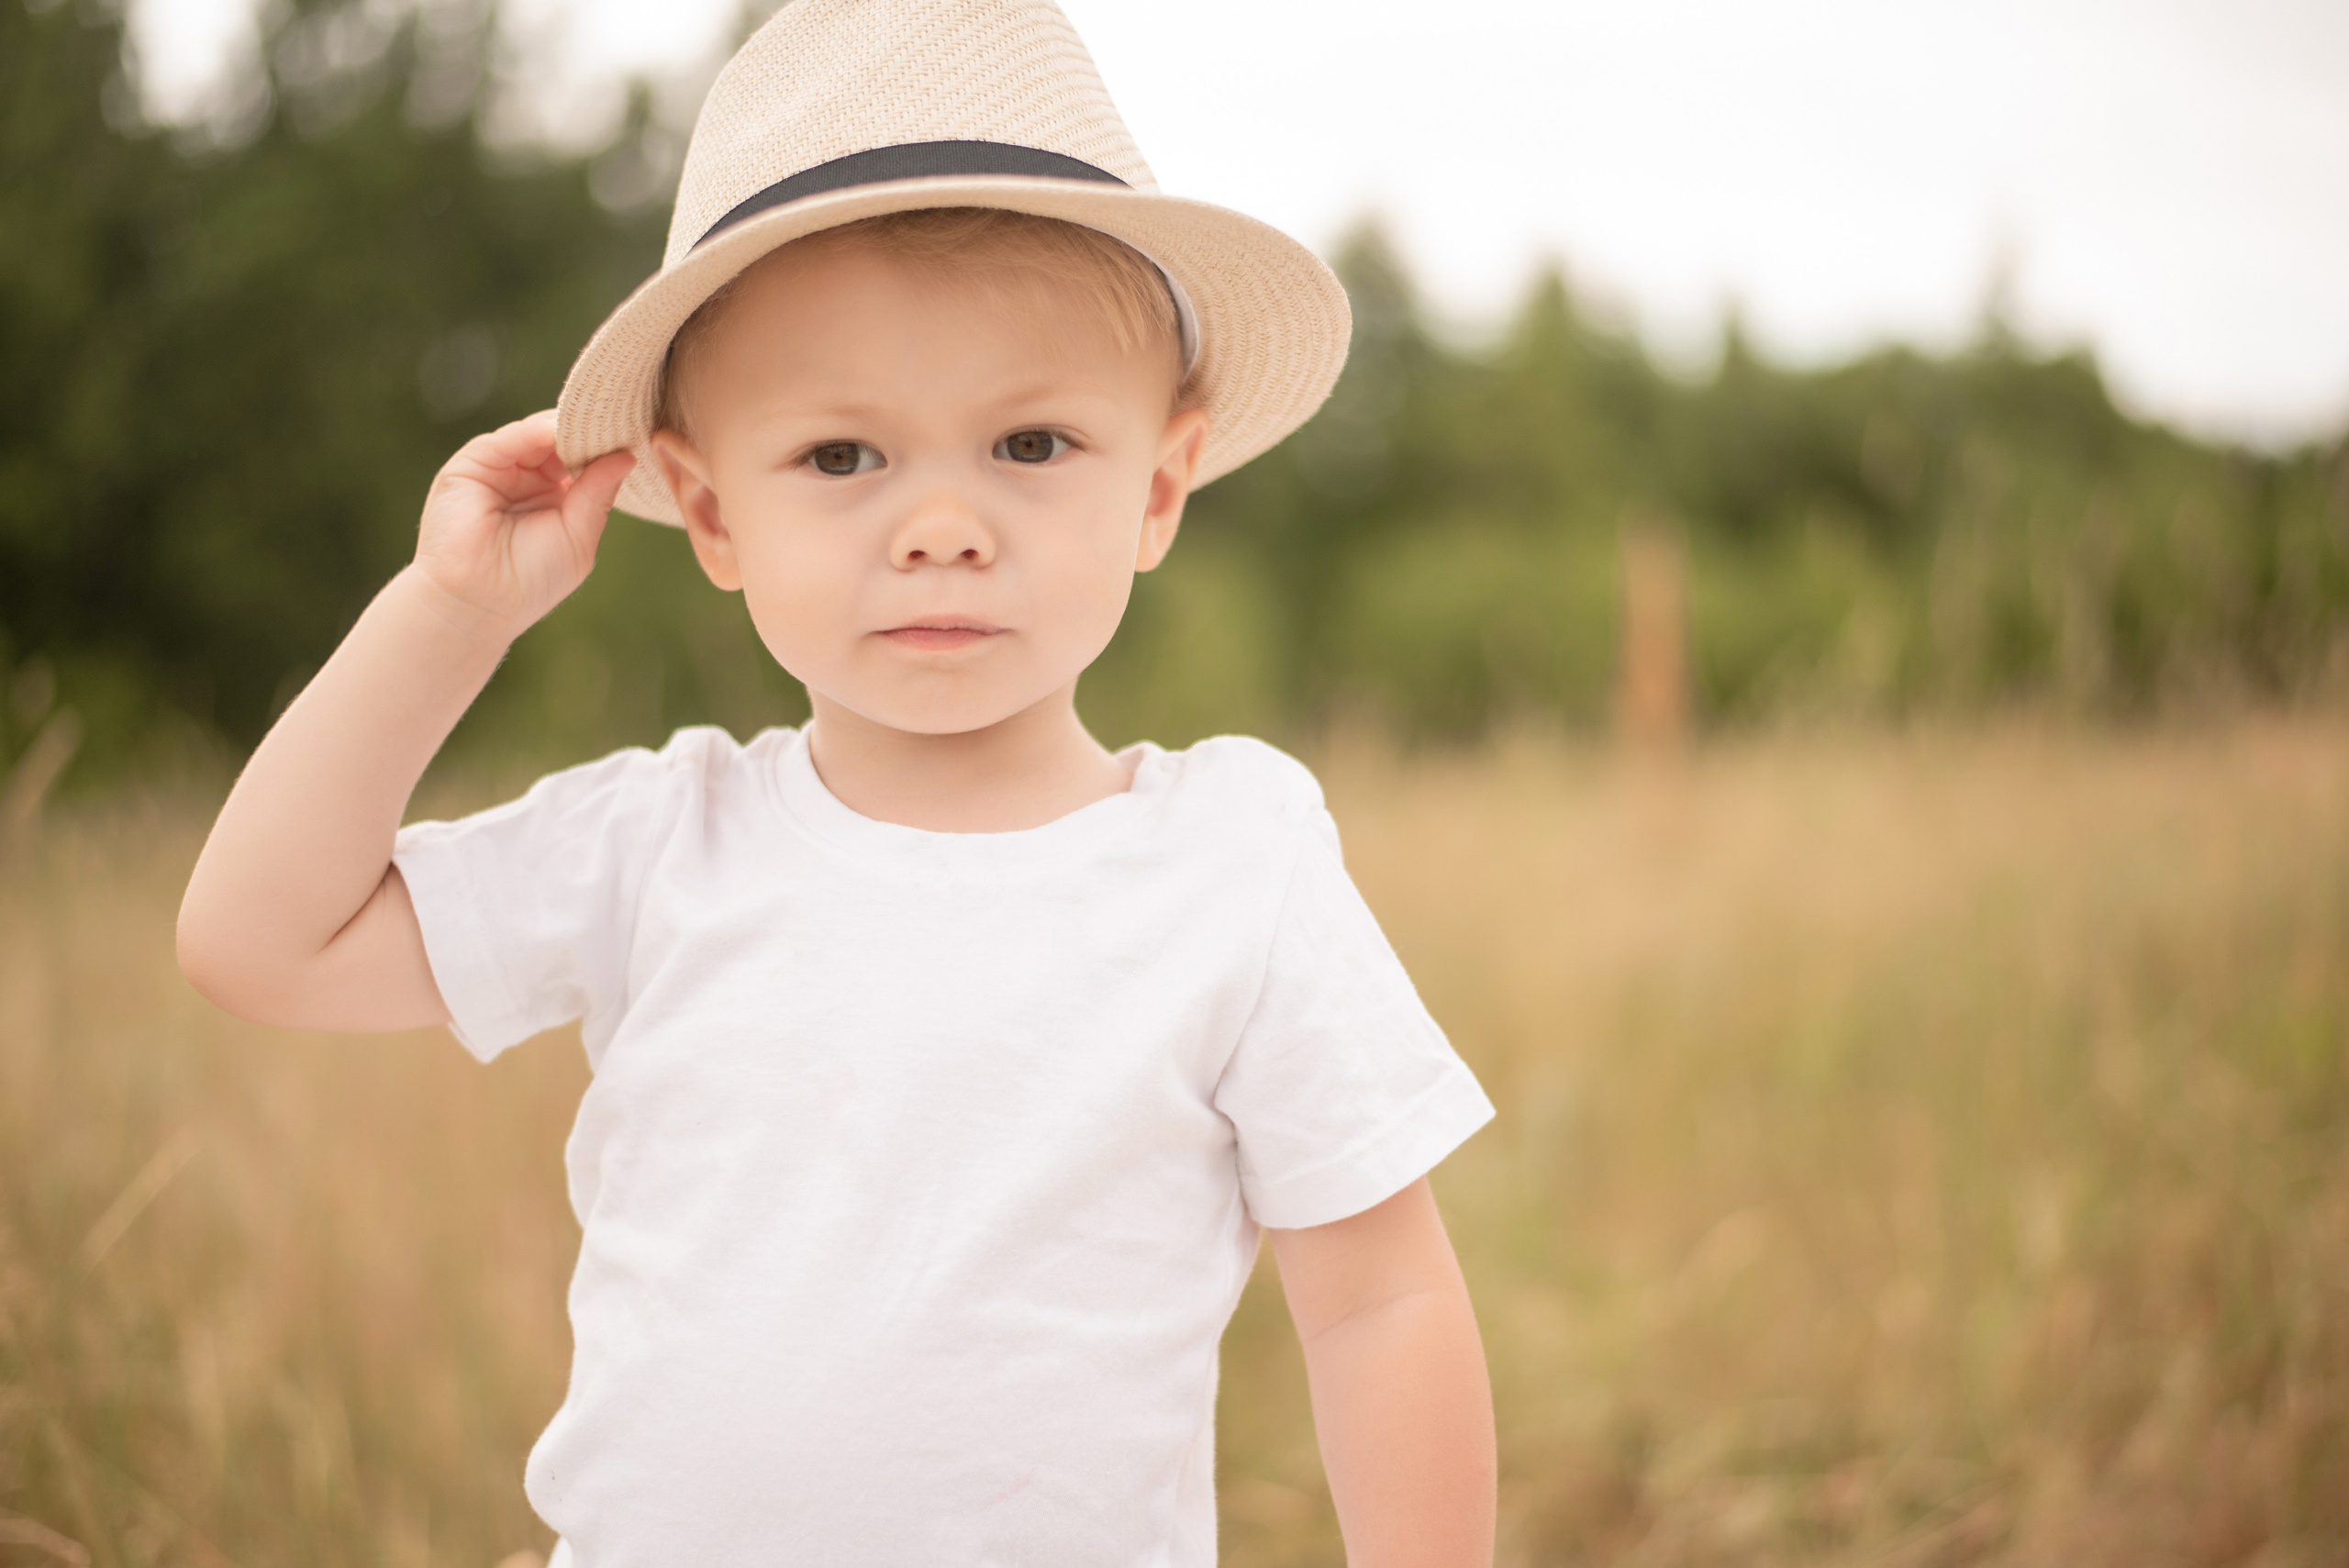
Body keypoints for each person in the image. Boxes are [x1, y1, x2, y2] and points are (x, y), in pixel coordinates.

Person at [176, 0, 1497, 1561]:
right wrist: (452, 615)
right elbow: (259, 942)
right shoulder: (661, 842)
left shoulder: (1231, 858)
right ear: (710, 513)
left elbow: (1381, 1299)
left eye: (1031, 442)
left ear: (1157, 486)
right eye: (843, 459)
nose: (941, 523)